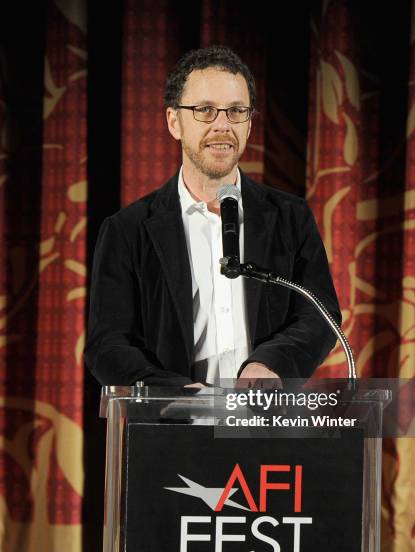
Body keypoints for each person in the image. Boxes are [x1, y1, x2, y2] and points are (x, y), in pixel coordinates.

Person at [84, 46, 341, 388]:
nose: (222, 125)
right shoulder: (127, 230)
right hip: (173, 426)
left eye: (236, 111)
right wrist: (173, 392)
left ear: (250, 124)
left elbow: (319, 314)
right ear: (174, 121)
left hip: (266, 423)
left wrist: (270, 364)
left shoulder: (290, 218)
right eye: (205, 110)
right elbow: (107, 345)